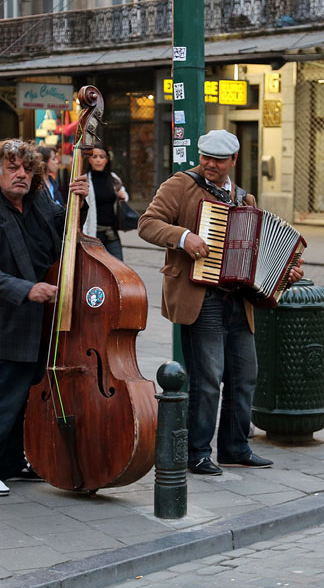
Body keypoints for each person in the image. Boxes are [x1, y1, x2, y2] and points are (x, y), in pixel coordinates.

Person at [137, 130, 304, 476]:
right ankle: (197, 452)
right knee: (207, 379)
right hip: (201, 298)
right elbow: (147, 224)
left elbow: (260, 256)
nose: (210, 165)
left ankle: (235, 447)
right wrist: (184, 238)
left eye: (219, 160)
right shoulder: (180, 185)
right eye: (206, 157)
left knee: (245, 376)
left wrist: (286, 274)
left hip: (237, 301)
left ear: (233, 161)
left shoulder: (245, 199)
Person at [0, 139, 89, 496]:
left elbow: (68, 232)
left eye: (26, 169)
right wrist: (26, 290)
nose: (21, 174)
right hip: (12, 319)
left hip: (47, 319)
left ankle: (11, 462)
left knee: (27, 397)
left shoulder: (38, 201)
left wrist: (79, 199)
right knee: (0, 395)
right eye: (12, 168)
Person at [80, 144, 129, 261]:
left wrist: (123, 196)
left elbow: (123, 195)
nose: (98, 160)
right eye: (94, 156)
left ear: (107, 160)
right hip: (93, 234)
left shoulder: (113, 178)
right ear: (89, 160)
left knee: (118, 269)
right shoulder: (84, 180)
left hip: (111, 234)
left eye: (102, 157)